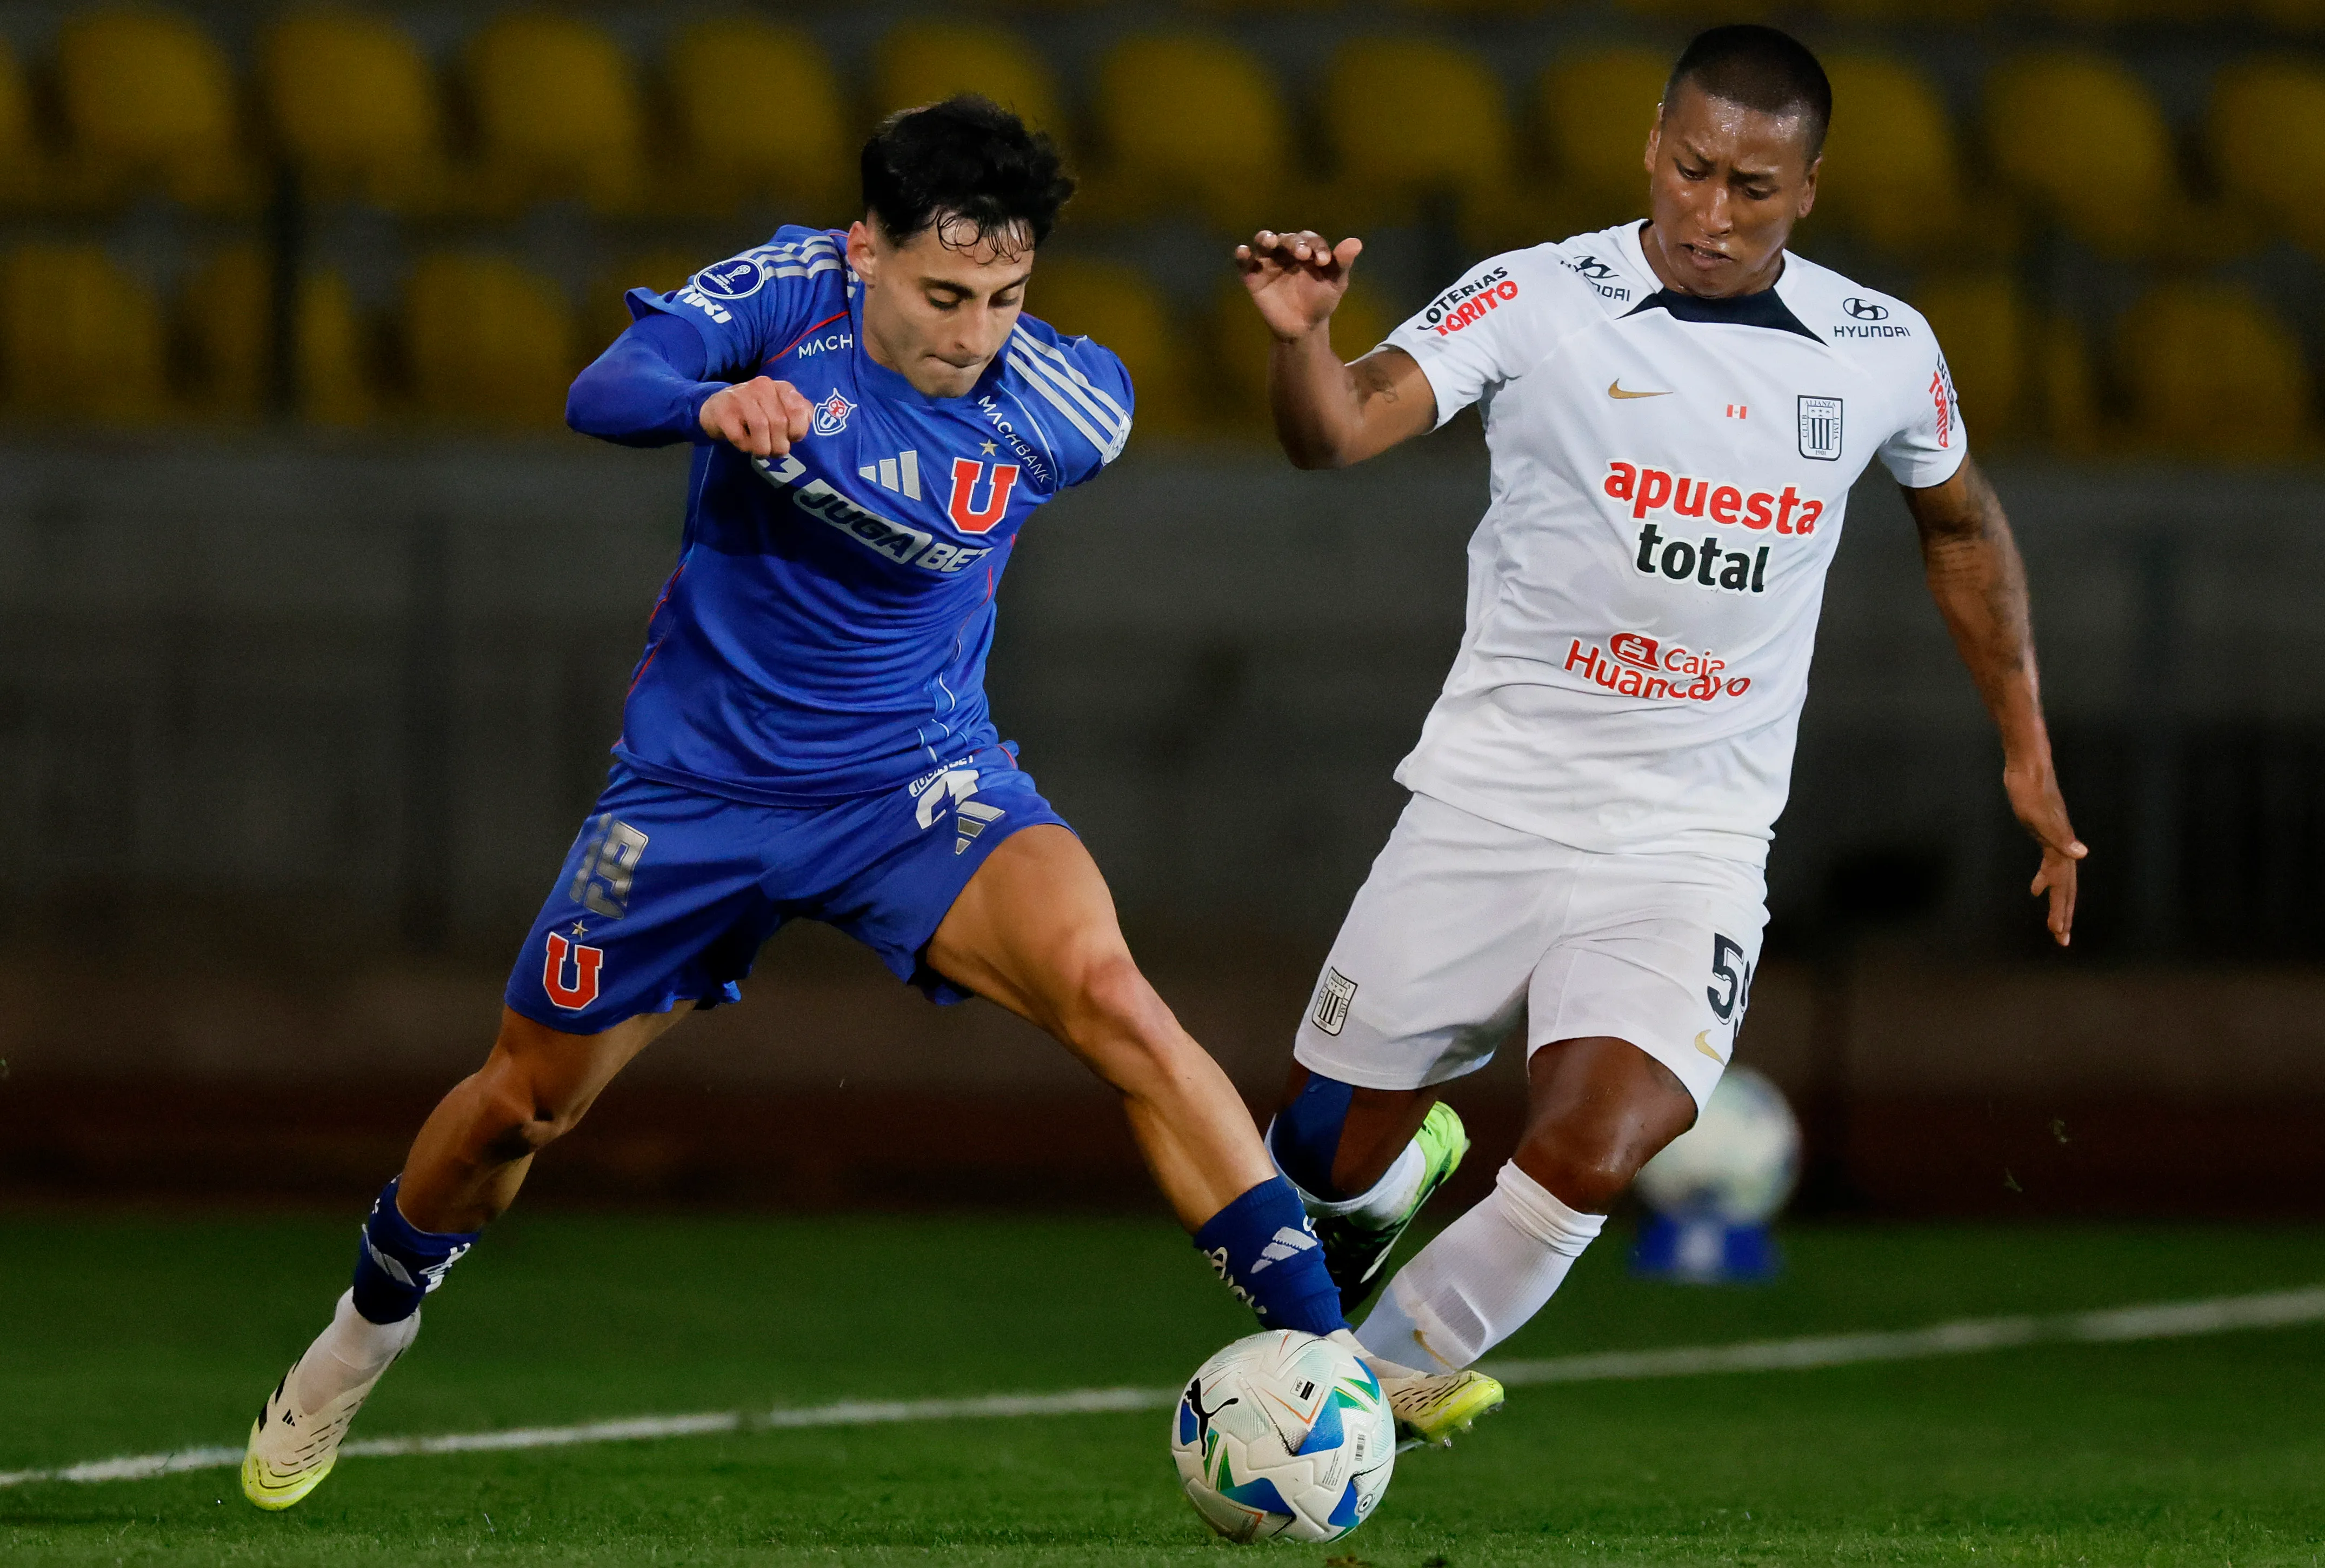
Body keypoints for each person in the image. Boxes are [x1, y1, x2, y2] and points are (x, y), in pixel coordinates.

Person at [241, 96, 1475, 1512]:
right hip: (691, 795)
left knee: (1111, 994)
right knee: (521, 1105)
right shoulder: (778, 297)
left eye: (1005, 297)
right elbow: (606, 386)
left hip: (918, 785)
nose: (971, 330)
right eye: (943, 292)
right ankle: (358, 1336)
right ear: (863, 252)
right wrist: (709, 401)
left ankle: (1331, 1351)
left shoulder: (1066, 405)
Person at [1240, 25, 2086, 1401]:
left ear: (1808, 187)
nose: (1710, 209)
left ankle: (1363, 1410)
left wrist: (2027, 746)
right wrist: (1304, 341)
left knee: (1588, 1144)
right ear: (1651, 143)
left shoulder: (1879, 346)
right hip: (1488, 803)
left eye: (1753, 187)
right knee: (1320, 1159)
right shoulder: (1532, 295)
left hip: (1687, 841)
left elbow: (1962, 526)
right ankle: (1387, 1188)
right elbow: (1332, 429)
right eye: (1691, 169)